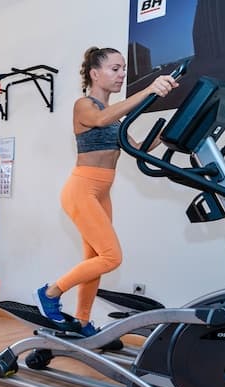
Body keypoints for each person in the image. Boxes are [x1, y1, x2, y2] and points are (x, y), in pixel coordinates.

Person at [35, 47, 177, 334]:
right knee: (112, 257)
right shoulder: (84, 106)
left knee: (95, 260)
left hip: (102, 192)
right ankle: (50, 292)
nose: (122, 74)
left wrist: (171, 131)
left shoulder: (115, 117)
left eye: (123, 68)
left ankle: (82, 321)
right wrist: (149, 89)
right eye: (115, 69)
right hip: (82, 189)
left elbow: (137, 148)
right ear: (95, 74)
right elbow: (100, 120)